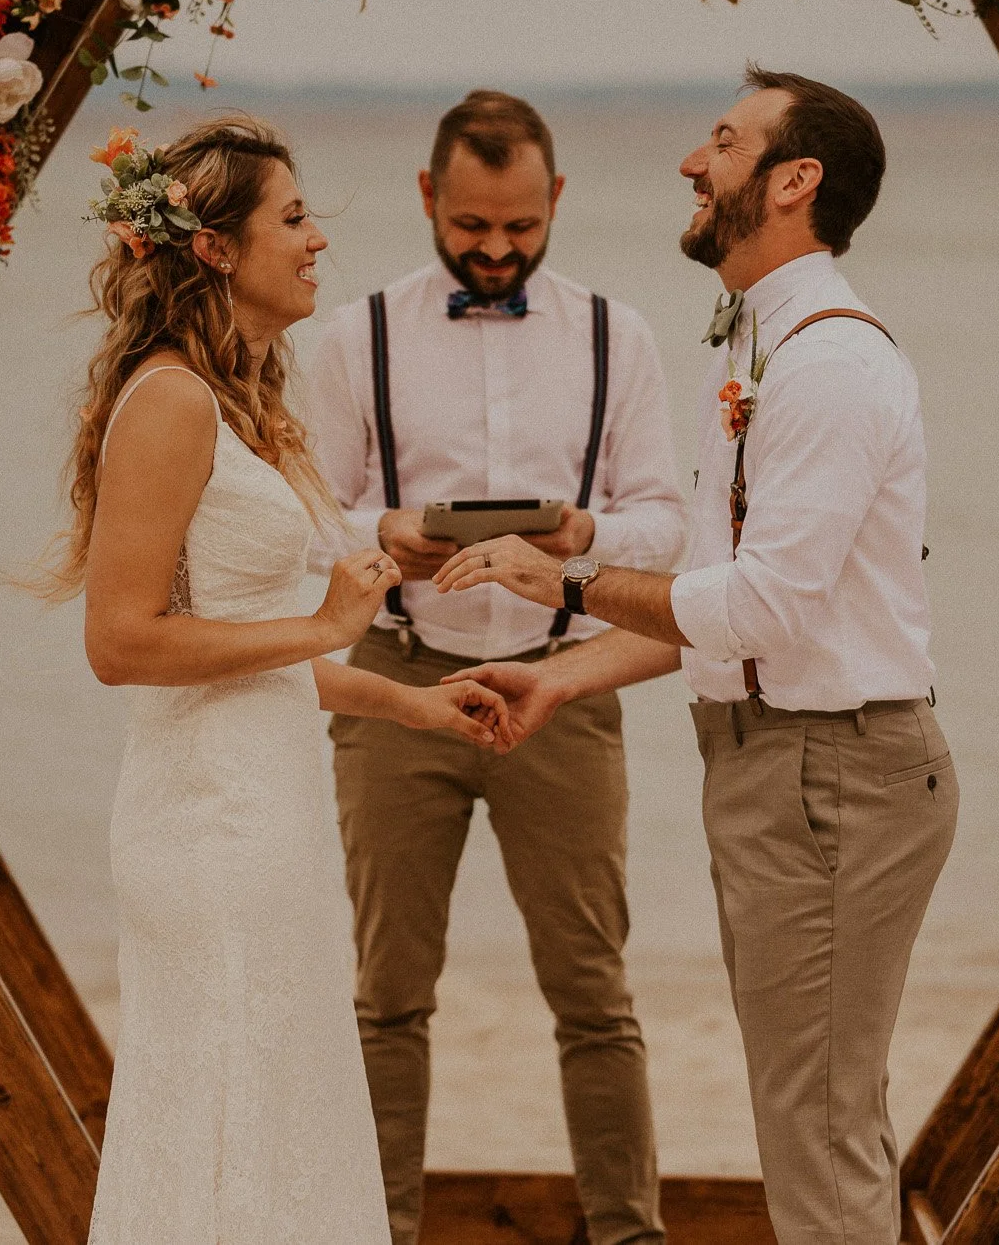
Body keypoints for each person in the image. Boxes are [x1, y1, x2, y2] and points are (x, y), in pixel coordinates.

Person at [430, 69, 959, 1245]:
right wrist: (559, 674)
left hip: (830, 779)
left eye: (720, 141)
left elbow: (759, 607)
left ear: (791, 181)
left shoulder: (824, 365)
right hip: (790, 774)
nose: (689, 161)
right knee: (819, 1111)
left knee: (815, 1124)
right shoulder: (771, 346)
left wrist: (554, 577)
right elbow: (709, 609)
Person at [42, 114, 511, 1244]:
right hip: (209, 822)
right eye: (292, 218)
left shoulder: (244, 401)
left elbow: (248, 649)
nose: (316, 242)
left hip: (273, 801)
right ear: (214, 247)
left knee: (280, 1100)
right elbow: (122, 643)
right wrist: (320, 623)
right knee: (225, 1103)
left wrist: (404, 699)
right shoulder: (168, 401)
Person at [304, 90, 685, 1245]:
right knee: (385, 995)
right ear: (428, 197)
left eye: (518, 226)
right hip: (396, 680)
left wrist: (578, 536)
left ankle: (627, 1234)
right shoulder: (352, 335)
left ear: (555, 201)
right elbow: (309, 517)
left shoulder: (619, 335)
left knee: (593, 994)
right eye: (471, 225)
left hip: (562, 685)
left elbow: (665, 522)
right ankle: (378, 1229)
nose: (494, 249)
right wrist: (388, 532)